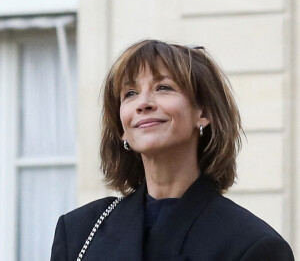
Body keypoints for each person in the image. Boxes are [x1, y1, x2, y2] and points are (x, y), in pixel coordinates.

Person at [50, 39, 295, 261]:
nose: (143, 104)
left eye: (163, 87)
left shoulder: (253, 245)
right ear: (122, 128)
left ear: (203, 113)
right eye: (131, 93)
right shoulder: (78, 232)